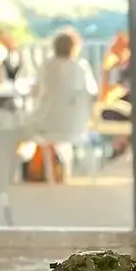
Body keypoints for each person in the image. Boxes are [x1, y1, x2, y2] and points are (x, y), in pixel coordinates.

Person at [30, 28, 98, 179]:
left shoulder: (46, 66)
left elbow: (34, 93)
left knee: (21, 124)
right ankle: (63, 169)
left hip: (47, 124)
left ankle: (33, 171)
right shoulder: (81, 67)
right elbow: (92, 93)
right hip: (76, 125)